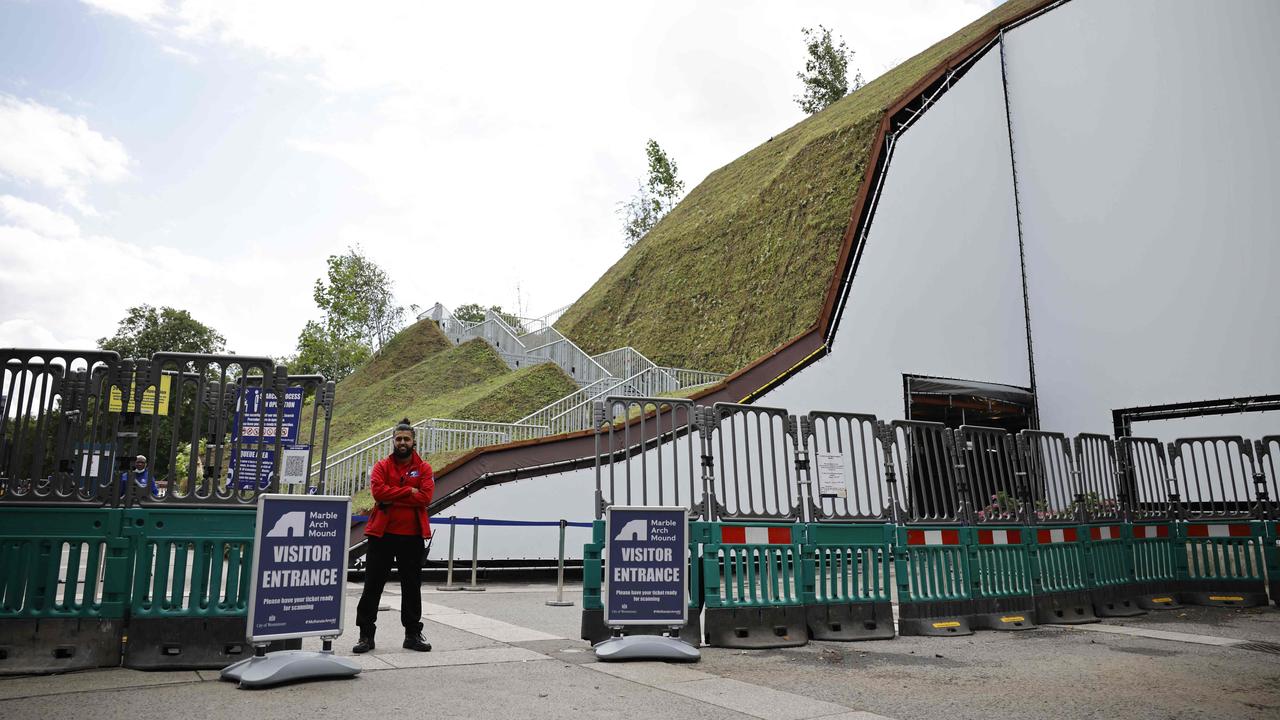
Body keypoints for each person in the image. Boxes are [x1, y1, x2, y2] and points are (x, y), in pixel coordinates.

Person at [353, 419, 434, 653]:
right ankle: (365, 636)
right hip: (382, 536)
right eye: (398, 438)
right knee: (372, 587)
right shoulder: (381, 466)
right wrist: (409, 490)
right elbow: (378, 493)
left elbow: (426, 498)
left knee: (412, 587)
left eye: (406, 439)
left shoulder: (425, 468)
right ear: (393, 440)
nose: (402, 442)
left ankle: (412, 634)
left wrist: (392, 495)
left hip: (412, 537)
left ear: (414, 441)